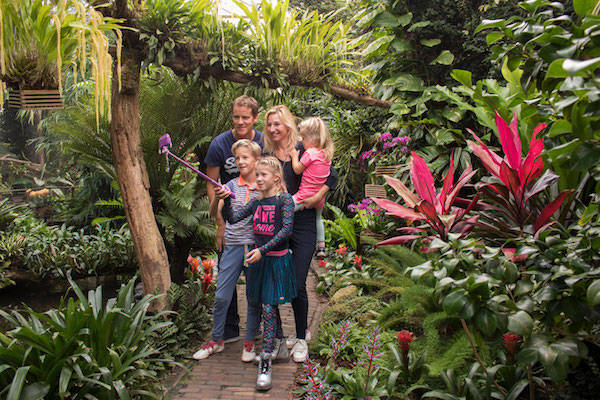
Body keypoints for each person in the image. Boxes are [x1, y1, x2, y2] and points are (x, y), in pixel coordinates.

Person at [263, 105, 337, 363]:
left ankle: (301, 338)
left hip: (303, 220)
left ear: (287, 125)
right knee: (273, 280)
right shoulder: (266, 153)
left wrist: (318, 195)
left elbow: (332, 174)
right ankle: (278, 338)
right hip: (276, 222)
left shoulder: (303, 148)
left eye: (277, 124)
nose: (273, 129)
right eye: (269, 124)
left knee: (297, 280)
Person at [218, 156, 297, 391]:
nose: (258, 179)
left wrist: (261, 250)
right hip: (259, 262)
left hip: (275, 261)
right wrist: (227, 202)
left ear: (275, 177)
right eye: (257, 175)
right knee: (264, 304)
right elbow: (232, 219)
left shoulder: (285, 200)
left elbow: (286, 231)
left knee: (269, 308)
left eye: (263, 175)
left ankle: (265, 363)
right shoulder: (255, 203)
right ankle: (279, 346)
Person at [193, 140, 263, 362]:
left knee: (253, 298)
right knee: (222, 296)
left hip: (255, 247)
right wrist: (218, 197)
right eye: (238, 158)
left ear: (256, 160)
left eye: (245, 157)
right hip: (232, 246)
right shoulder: (230, 185)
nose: (241, 162)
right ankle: (217, 340)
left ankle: (250, 342)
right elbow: (214, 211)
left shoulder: (264, 186)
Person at [204, 95, 263, 343]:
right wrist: (220, 224)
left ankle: (254, 331)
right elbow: (211, 184)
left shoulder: (262, 142)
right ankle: (227, 332)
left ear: (254, 118)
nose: (240, 122)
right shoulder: (220, 144)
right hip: (229, 221)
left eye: (245, 118)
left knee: (255, 286)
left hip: (255, 229)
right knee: (225, 281)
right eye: (236, 117)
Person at [291, 117, 334, 258]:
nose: (301, 142)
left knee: (284, 208)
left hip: (305, 194)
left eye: (303, 138)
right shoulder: (326, 155)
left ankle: (283, 241)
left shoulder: (310, 153)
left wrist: (294, 156)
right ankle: (321, 247)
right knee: (318, 219)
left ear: (312, 139)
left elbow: (297, 169)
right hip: (320, 198)